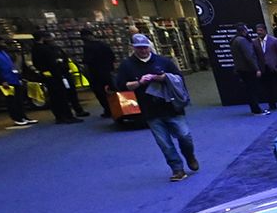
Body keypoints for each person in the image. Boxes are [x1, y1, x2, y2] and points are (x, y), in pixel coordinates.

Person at [115, 34, 198, 181]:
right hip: (149, 109)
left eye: (145, 47)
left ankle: (189, 155)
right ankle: (177, 169)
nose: (143, 50)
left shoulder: (163, 61)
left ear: (149, 46)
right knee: (164, 143)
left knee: (185, 136)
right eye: (139, 48)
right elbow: (121, 86)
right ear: (133, 48)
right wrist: (139, 82)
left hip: (171, 106)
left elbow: (179, 78)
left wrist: (163, 77)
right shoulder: (127, 65)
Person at [30, 31, 82, 123]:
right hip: (55, 75)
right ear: (43, 38)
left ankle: (59, 116)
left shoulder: (34, 49)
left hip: (47, 75)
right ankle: (67, 116)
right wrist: (59, 66)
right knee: (61, 96)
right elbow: (53, 62)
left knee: (54, 97)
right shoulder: (45, 49)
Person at [0, 34, 34, 126]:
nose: (3, 44)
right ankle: (17, 118)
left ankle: (23, 116)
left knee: (19, 99)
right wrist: (2, 80)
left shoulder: (3, 52)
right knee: (11, 100)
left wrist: (19, 76)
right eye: (1, 42)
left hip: (13, 77)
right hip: (5, 79)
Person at [226, 25, 267, 113]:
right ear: (244, 30)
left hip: (241, 69)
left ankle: (255, 109)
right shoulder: (242, 41)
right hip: (248, 69)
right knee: (252, 90)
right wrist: (256, 68)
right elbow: (249, 56)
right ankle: (257, 110)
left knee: (249, 90)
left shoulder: (234, 40)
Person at [81, 32, 118, 119]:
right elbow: (112, 57)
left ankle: (108, 110)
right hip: (107, 71)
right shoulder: (103, 44)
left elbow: (87, 61)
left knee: (100, 93)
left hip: (95, 73)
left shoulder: (87, 47)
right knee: (112, 90)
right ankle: (116, 108)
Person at [257, 22, 277, 110]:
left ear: (265, 31)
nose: (259, 32)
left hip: (275, 68)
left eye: (260, 30)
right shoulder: (255, 42)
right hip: (264, 69)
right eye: (257, 31)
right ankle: (272, 105)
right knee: (268, 88)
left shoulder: (274, 41)